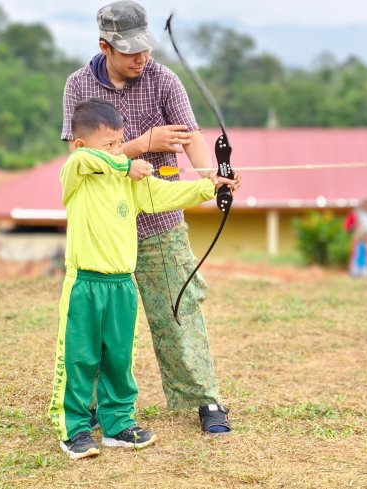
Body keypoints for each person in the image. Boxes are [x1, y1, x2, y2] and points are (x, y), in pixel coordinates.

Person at [60, 0, 240, 434]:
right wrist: (142, 144)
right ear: (105, 46)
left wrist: (213, 176)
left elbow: (191, 138)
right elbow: (79, 159)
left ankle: (205, 398)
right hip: (105, 230)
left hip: (161, 222)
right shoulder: (78, 85)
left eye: (145, 48)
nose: (141, 57)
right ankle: (93, 406)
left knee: (179, 310)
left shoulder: (164, 79)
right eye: (129, 50)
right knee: (100, 325)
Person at [48, 98, 235, 459]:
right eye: (109, 144)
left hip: (121, 285)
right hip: (85, 284)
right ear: (83, 144)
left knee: (119, 359)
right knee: (80, 357)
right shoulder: (77, 173)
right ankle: (75, 430)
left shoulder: (128, 182)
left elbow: (165, 193)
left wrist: (211, 185)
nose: (117, 150)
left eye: (120, 142)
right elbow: (84, 159)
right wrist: (126, 162)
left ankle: (118, 424)